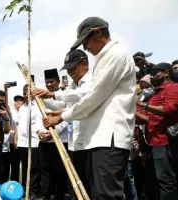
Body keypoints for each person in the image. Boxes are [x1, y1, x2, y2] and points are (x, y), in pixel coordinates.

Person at [42, 17, 136, 199]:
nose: (86, 48)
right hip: (99, 138)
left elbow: (93, 97)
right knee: (97, 193)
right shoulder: (105, 58)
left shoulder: (115, 55)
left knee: (107, 195)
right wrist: (63, 112)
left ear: (98, 32)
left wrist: (62, 117)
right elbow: (97, 99)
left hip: (110, 137)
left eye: (86, 42)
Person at [33, 49, 92, 198]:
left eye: (73, 68)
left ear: (84, 64)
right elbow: (63, 106)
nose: (71, 72)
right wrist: (42, 98)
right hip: (75, 143)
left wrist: (52, 95)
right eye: (68, 69)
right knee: (76, 182)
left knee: (88, 182)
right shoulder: (73, 86)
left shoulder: (91, 81)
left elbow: (80, 97)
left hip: (89, 142)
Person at [136, 63, 178, 200]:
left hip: (166, 142)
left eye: (154, 73)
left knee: (167, 182)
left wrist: (143, 104)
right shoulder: (155, 95)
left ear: (166, 73)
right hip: (154, 143)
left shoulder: (173, 88)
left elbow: (169, 109)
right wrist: (134, 110)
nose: (151, 76)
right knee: (159, 181)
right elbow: (149, 120)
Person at [16, 84, 42, 199]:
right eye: (24, 92)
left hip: (34, 142)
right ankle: (25, 188)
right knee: (25, 167)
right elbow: (18, 125)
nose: (26, 94)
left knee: (34, 168)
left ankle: (34, 191)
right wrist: (16, 140)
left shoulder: (37, 106)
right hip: (22, 143)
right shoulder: (21, 108)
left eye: (28, 92)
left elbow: (38, 123)